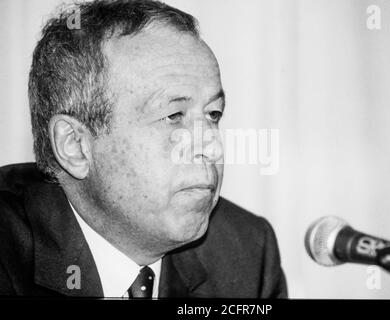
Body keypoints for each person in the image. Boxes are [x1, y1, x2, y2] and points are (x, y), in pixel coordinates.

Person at [0, 0, 287, 298]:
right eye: (174, 117)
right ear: (75, 146)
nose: (212, 146)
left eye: (213, 114)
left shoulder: (246, 251)